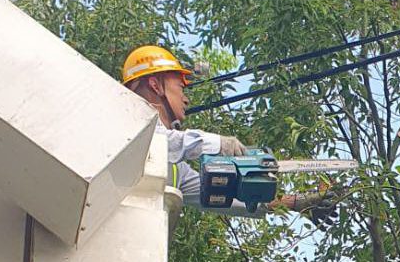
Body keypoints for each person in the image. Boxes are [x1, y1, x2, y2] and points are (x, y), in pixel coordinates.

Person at [121, 45, 336, 225]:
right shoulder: (126, 127)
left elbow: (225, 196)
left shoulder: (175, 170)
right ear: (155, 85)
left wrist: (297, 202)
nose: (186, 99)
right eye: (180, 87)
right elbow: (161, 141)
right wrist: (219, 143)